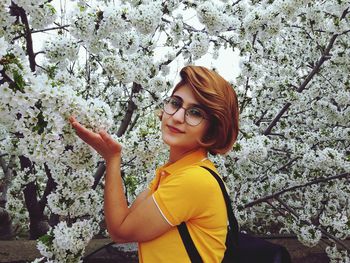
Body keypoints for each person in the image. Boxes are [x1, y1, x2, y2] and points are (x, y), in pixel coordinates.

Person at [69, 65, 239, 262]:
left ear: (212, 128)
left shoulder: (194, 180)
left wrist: (112, 159)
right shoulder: (174, 172)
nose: (176, 117)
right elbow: (123, 221)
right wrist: (112, 157)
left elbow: (121, 232)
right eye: (175, 103)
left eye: (195, 113)